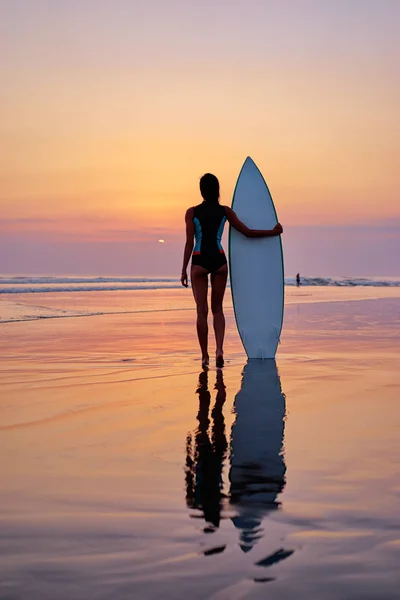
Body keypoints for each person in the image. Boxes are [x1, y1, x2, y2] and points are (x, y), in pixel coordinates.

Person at [181, 173, 283, 368]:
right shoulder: (225, 212)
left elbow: (188, 243)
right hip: (219, 261)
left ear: (201, 191)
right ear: (217, 190)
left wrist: (183, 270)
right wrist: (273, 232)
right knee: (217, 309)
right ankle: (219, 349)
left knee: (201, 311)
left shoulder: (191, 212)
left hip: (199, 261)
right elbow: (247, 232)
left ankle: (205, 356)